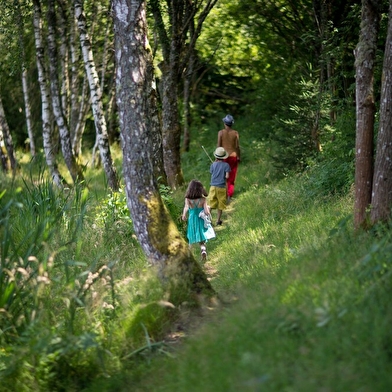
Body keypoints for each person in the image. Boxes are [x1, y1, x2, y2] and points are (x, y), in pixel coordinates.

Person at [181, 179, 211, 260]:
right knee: (202, 236)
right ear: (200, 189)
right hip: (201, 219)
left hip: (192, 219)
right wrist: (208, 209)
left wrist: (184, 215)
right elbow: (207, 212)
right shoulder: (203, 199)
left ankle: (189, 254)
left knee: (191, 235)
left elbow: (186, 207)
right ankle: (203, 249)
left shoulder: (188, 199)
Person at [217, 114, 241, 202]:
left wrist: (217, 158)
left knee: (222, 177)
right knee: (231, 177)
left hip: (223, 157)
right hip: (233, 156)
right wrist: (239, 156)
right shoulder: (235, 133)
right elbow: (237, 147)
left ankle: (222, 195)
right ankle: (229, 196)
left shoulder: (220, 133)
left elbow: (219, 146)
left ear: (224, 123)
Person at [208, 147, 231, 226]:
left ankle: (208, 220)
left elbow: (211, 172)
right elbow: (227, 176)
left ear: (216, 156)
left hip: (213, 186)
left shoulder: (213, 164)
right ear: (224, 157)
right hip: (221, 187)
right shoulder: (226, 165)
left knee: (210, 203)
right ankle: (218, 220)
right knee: (221, 204)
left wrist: (214, 164)